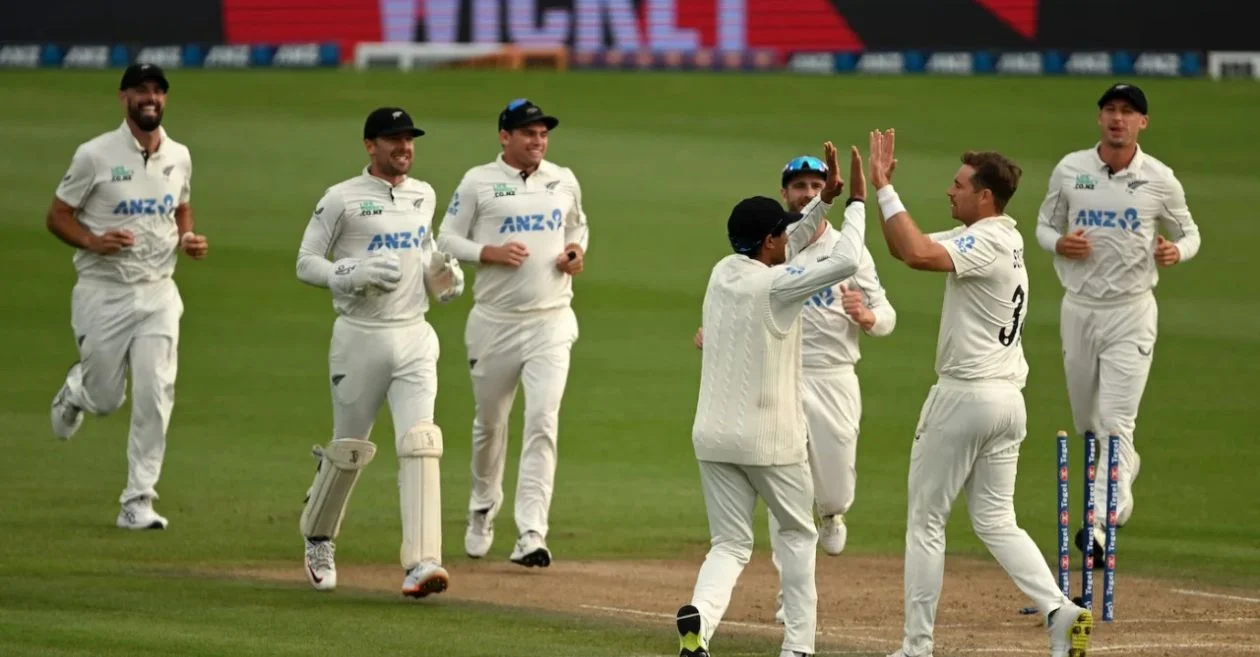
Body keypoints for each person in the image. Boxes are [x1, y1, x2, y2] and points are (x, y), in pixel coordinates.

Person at [867, 130, 1093, 657]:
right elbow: (908, 249)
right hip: (1007, 402)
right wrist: (883, 194)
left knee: (925, 521)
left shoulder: (987, 241)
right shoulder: (1004, 238)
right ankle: (1060, 612)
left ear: (984, 196)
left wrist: (882, 186)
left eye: (958, 184)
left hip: (965, 397)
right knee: (995, 519)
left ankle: (916, 647)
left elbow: (919, 254)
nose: (949, 191)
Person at [675, 142, 867, 657]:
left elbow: (794, 241)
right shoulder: (778, 287)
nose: (791, 237)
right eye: (782, 232)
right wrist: (857, 204)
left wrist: (822, 201)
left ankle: (701, 621)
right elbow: (846, 257)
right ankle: (798, 647)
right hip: (771, 439)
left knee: (731, 544)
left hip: (713, 438)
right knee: (798, 535)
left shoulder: (721, 273)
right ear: (767, 242)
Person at [294, 107, 465, 598]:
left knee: (421, 441)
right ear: (370, 145)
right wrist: (348, 274)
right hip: (359, 337)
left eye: (409, 139)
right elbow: (306, 263)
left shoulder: (423, 194)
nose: (404, 148)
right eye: (393, 140)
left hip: (414, 334)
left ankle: (423, 561)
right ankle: (319, 537)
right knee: (349, 450)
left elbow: (426, 252)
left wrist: (443, 277)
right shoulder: (341, 200)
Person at [1034, 83, 1201, 560]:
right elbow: (1045, 225)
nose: (1118, 118)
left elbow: (1190, 233)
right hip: (1080, 308)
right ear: (1099, 118)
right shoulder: (1073, 170)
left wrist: (1176, 251)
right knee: (1089, 424)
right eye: (1110, 109)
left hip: (1132, 311)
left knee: (1114, 422)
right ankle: (1124, 466)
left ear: (1142, 123)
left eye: (1128, 112)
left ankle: (1101, 525)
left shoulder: (1159, 179)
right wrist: (1058, 244)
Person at [47, 63, 209, 530]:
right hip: (104, 293)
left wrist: (188, 238)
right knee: (105, 399)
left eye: (158, 91)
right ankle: (78, 389)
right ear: (124, 98)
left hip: (159, 292)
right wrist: (92, 241)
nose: (150, 98)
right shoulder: (94, 155)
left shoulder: (179, 155)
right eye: (141, 90)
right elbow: (57, 215)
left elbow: (180, 206)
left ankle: (138, 499)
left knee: (156, 394)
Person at [436, 98, 588, 568]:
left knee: (543, 420)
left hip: (552, 320)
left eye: (542, 133)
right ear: (505, 136)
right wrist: (489, 252)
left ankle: (531, 532)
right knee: (490, 426)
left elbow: (578, 226)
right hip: (495, 324)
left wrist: (575, 252)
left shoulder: (563, 178)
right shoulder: (478, 181)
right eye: (528, 133)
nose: (537, 141)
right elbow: (445, 239)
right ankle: (482, 508)